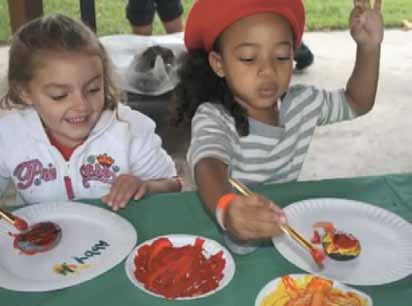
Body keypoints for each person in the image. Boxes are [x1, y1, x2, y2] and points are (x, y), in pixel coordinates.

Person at [176, 0, 383, 253]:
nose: (268, 70)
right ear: (219, 64)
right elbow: (207, 163)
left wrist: (369, 48)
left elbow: (356, 102)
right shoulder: (215, 116)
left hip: (286, 234)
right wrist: (227, 208)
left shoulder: (303, 104)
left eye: (282, 56)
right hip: (226, 247)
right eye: (248, 58)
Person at [0, 14, 181, 211]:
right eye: (59, 95)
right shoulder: (9, 135)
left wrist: (145, 186)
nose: (82, 105)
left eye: (93, 89)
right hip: (36, 237)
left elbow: (174, 184)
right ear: (25, 92)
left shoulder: (131, 131)